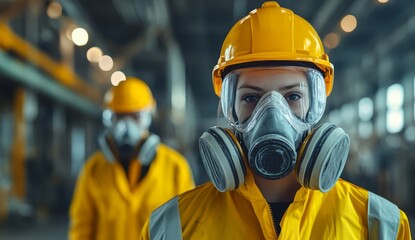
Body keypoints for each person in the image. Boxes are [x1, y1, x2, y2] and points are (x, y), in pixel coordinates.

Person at [140, 1, 412, 239]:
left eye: (292, 96)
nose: (272, 114)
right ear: (228, 106)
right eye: (250, 99)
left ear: (316, 102)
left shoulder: (380, 225)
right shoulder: (172, 227)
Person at [68, 76, 195, 240]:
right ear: (108, 119)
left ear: (150, 117)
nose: (126, 127)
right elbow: (81, 229)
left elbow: (190, 226)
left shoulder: (176, 167)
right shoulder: (93, 170)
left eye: (135, 117)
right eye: (118, 117)